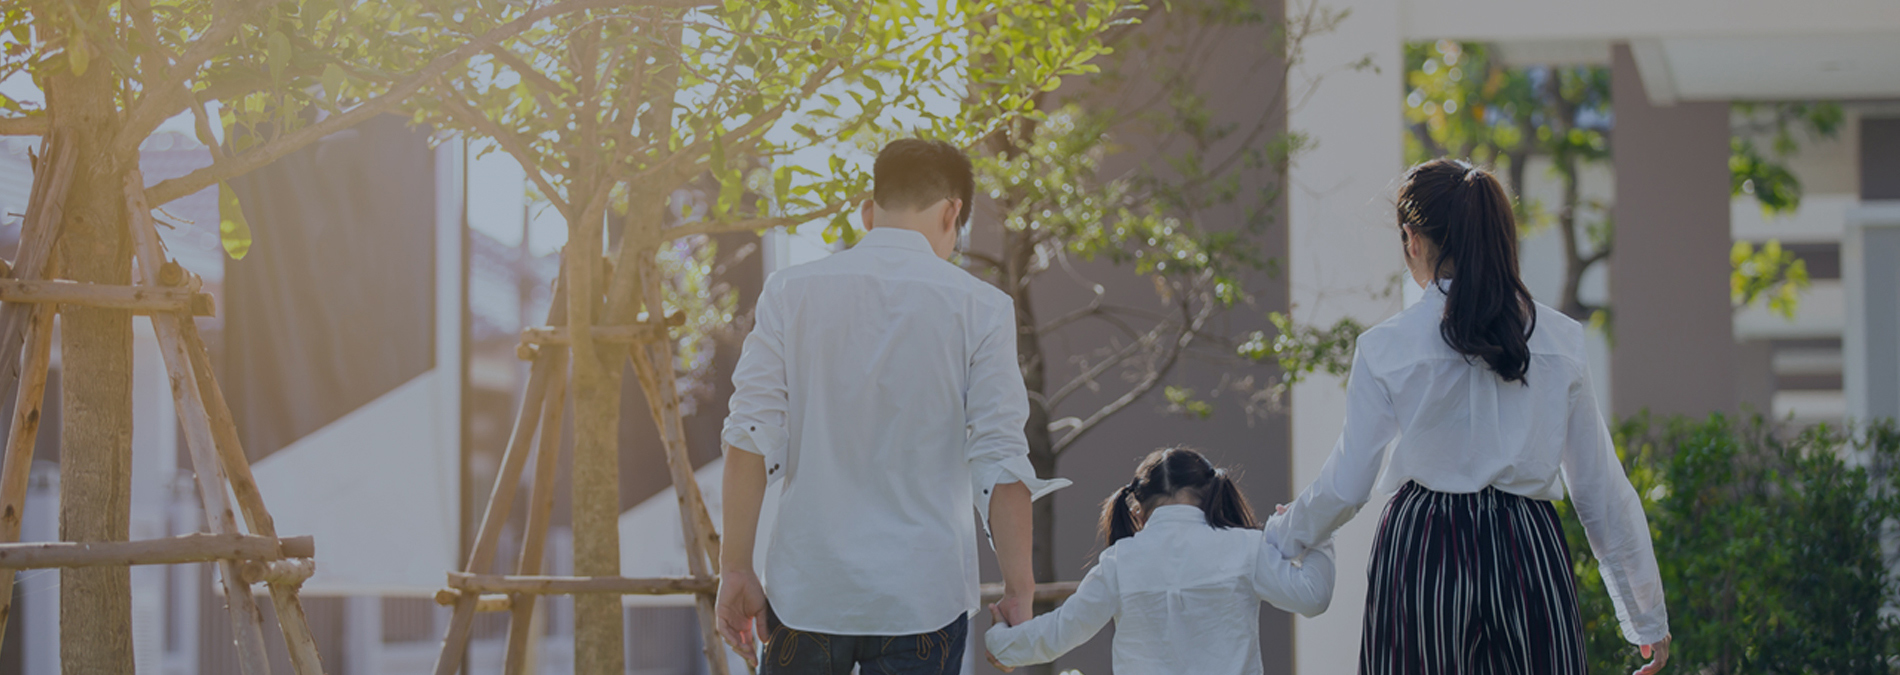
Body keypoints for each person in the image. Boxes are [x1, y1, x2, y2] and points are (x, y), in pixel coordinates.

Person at [1265, 158, 1672, 674]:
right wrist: (1646, 616)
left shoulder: (1386, 347)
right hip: (1528, 544)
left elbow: (1347, 485)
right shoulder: (1560, 338)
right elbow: (1597, 485)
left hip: (1423, 546)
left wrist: (1282, 538)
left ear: (1413, 239)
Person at [714, 138, 1068, 674]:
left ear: (868, 210)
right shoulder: (982, 309)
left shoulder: (789, 293)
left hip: (809, 594)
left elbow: (750, 435)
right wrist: (1019, 588)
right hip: (922, 599)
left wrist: (736, 568)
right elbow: (999, 459)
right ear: (952, 213)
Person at [984, 446, 1335, 675]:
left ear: (1136, 508)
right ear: (1212, 492)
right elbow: (1313, 597)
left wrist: (1000, 641)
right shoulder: (1245, 547)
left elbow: (1057, 634)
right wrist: (1320, 535)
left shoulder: (1120, 562)